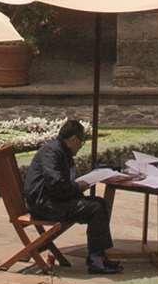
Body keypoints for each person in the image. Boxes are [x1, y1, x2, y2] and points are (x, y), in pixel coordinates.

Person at [24, 115, 120, 273]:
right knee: (96, 208)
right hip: (44, 205)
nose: (81, 146)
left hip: (53, 200)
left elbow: (61, 185)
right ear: (74, 139)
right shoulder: (52, 152)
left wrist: (77, 187)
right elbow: (56, 184)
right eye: (81, 142)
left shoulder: (60, 151)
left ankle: (99, 256)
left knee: (100, 204)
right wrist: (77, 187)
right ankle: (96, 260)